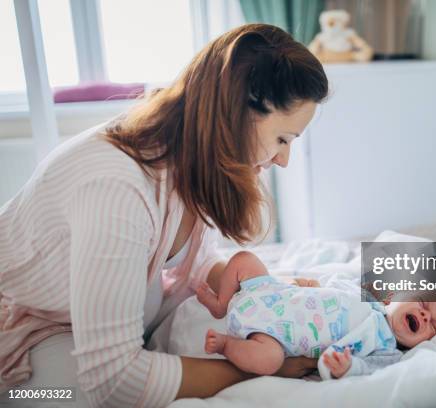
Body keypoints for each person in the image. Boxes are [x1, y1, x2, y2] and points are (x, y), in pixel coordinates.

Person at [0, 23, 328, 407]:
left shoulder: (191, 158)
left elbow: (192, 261)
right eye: (282, 139)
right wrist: (260, 367)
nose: (284, 160)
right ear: (237, 114)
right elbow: (114, 379)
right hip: (27, 336)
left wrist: (265, 289)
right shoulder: (116, 186)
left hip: (81, 316)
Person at [194, 251, 436, 380]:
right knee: (244, 259)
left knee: (269, 361)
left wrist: (348, 367)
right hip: (271, 294)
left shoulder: (386, 348)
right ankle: (221, 304)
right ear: (391, 298)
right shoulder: (360, 293)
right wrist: (305, 284)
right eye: (421, 303)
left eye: (435, 325)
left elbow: (369, 368)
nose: (425, 316)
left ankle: (228, 344)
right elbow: (330, 284)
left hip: (272, 337)